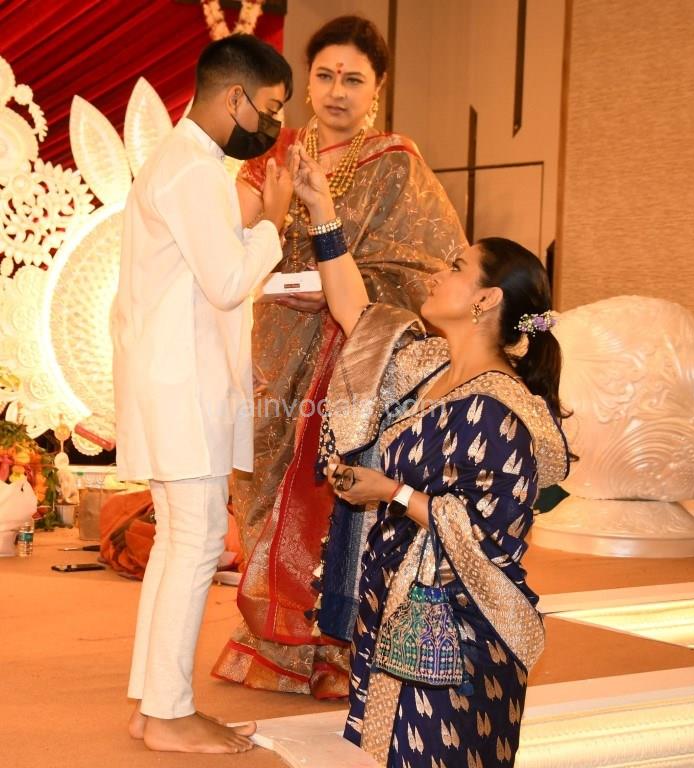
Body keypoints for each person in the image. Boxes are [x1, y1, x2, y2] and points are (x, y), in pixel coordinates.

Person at [287, 142, 570, 767]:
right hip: (396, 599)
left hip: (459, 629)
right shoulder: (426, 365)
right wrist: (321, 209)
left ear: (486, 300)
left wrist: (390, 492)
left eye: (457, 267)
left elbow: (487, 537)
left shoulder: (501, 411)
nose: (438, 274)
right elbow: (356, 314)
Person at [213, 15, 467, 699]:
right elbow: (226, 233)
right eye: (324, 76)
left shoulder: (395, 162)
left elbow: (425, 268)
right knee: (263, 484)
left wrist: (340, 279)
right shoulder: (276, 151)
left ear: (376, 89)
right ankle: (274, 638)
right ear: (306, 83)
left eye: (353, 79)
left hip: (350, 353)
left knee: (332, 492)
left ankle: (333, 648)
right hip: (274, 342)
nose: (336, 91)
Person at [112, 34, 293, 754]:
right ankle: (168, 714)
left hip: (172, 377)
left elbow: (205, 267)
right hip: (182, 383)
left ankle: (151, 705)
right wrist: (273, 221)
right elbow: (226, 283)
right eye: (270, 108)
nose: (273, 123)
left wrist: (248, 224)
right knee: (194, 544)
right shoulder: (192, 170)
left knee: (177, 543)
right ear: (234, 97)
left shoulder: (186, 163)